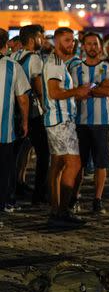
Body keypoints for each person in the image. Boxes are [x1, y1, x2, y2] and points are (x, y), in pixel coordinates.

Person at [42, 27, 92, 227]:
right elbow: (54, 92)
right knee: (74, 164)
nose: (70, 44)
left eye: (72, 40)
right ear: (56, 42)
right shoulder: (55, 64)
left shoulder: (56, 62)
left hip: (55, 120)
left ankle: (56, 210)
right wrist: (76, 91)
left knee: (57, 165)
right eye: (66, 40)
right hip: (61, 120)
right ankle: (62, 210)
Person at [69, 33, 109, 214]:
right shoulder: (75, 69)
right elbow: (75, 93)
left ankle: (97, 199)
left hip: (102, 123)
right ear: (83, 47)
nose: (92, 47)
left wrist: (88, 89)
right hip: (80, 122)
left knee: (100, 164)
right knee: (78, 163)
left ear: (100, 46)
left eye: (95, 44)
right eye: (88, 44)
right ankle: (74, 197)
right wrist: (98, 87)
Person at [12, 24, 48, 205]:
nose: (43, 40)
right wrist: (44, 105)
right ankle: (39, 194)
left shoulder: (14, 55)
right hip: (33, 112)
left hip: (16, 111)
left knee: (19, 150)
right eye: (41, 37)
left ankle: (17, 185)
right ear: (33, 39)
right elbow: (38, 84)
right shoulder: (34, 59)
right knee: (44, 153)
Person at [0, 29, 30, 219]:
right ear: (6, 44)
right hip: (4, 131)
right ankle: (3, 203)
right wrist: (25, 121)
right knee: (4, 169)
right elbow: (23, 99)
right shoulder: (12, 66)